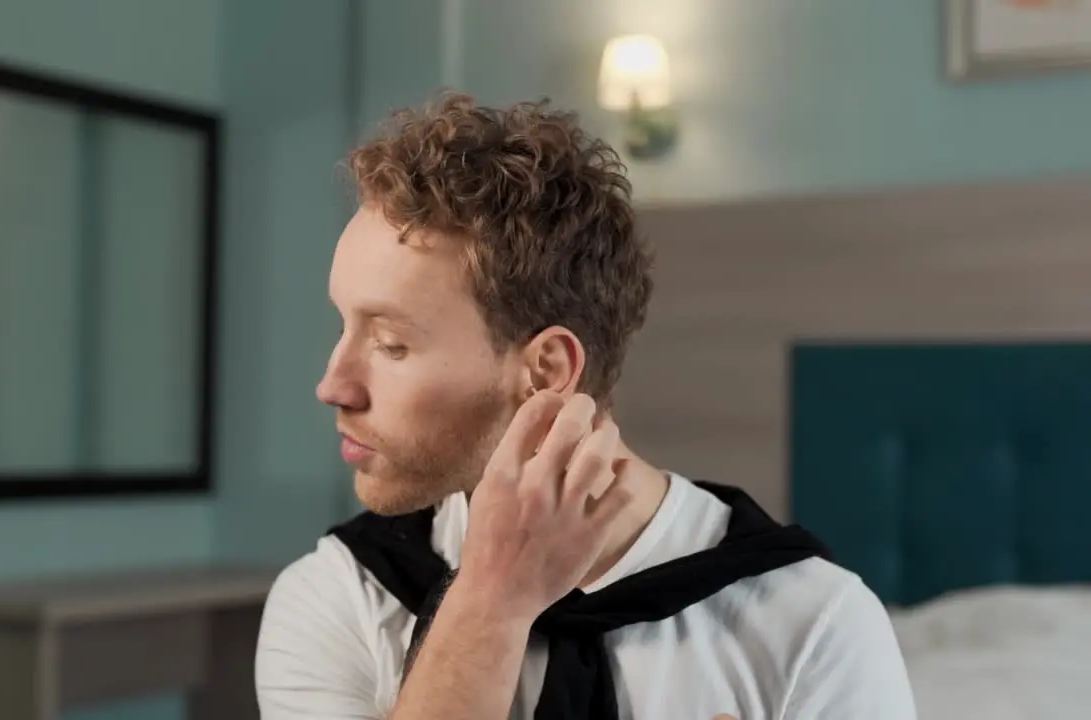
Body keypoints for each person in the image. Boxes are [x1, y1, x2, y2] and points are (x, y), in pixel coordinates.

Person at [254, 93, 918, 720]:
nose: (333, 384)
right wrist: (492, 599)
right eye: (343, 325)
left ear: (546, 371)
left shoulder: (815, 624)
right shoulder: (336, 598)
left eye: (391, 343)